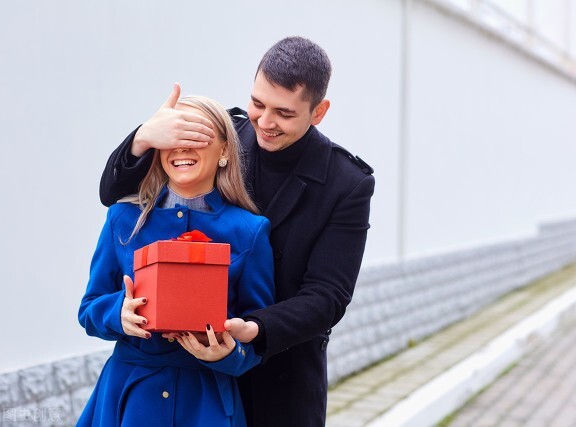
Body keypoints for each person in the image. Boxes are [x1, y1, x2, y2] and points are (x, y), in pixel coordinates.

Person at [100, 36, 375, 426]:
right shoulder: (223, 136)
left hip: (280, 371)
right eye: (258, 103)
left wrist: (255, 328)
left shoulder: (347, 183)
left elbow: (328, 295)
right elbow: (112, 194)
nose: (265, 122)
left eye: (283, 113)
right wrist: (144, 137)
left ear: (319, 112)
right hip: (196, 378)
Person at [79, 96, 275, 426]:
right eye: (173, 137)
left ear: (225, 151)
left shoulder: (250, 232)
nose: (182, 147)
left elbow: (259, 337)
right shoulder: (122, 219)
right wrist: (118, 313)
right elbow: (88, 310)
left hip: (207, 403)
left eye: (197, 136)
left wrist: (228, 355)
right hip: (128, 399)